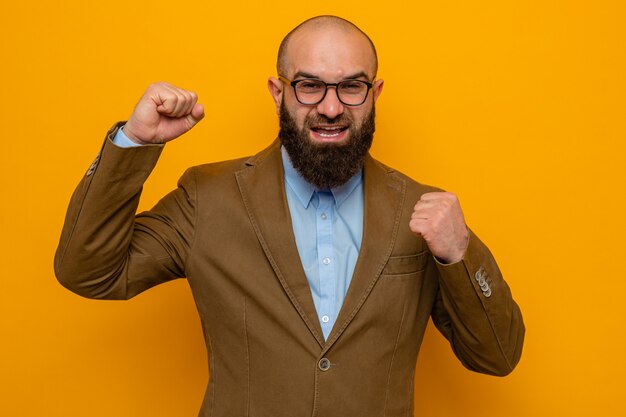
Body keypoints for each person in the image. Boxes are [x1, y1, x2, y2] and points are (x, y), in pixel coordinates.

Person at [55, 15, 524, 417]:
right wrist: (136, 142)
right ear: (277, 92)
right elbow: (89, 272)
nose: (332, 107)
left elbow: (498, 355)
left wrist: (461, 254)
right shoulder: (208, 198)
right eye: (310, 86)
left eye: (351, 86)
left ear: (375, 92)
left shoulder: (421, 210)